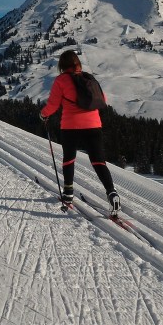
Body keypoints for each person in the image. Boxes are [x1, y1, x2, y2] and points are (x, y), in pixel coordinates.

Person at [39, 49, 121, 215]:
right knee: (99, 161)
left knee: (69, 159)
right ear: (77, 63)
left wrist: (43, 115)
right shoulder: (89, 78)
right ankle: (112, 193)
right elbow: (102, 99)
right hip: (94, 125)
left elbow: (53, 105)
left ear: (62, 65)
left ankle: (68, 193)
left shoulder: (61, 80)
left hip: (70, 127)